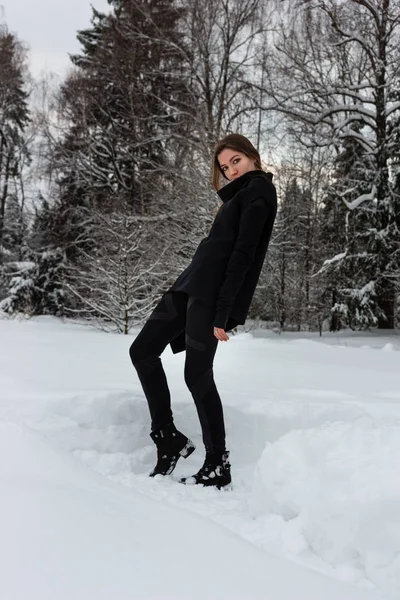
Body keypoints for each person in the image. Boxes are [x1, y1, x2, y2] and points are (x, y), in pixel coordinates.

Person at [129, 133, 277, 490]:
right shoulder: (239, 196)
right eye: (225, 168)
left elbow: (244, 255)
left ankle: (217, 463)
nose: (230, 171)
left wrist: (223, 310)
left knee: (197, 375)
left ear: (253, 157)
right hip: (189, 286)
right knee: (142, 350)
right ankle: (167, 437)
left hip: (210, 296)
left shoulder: (259, 193)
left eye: (235, 162)